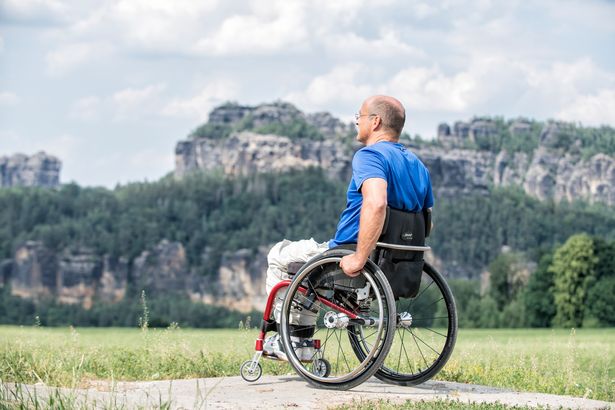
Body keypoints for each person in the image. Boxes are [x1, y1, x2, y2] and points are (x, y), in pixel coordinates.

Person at [263, 95, 434, 361]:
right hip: (398, 264)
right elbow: (427, 221)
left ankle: (295, 340)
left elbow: (376, 203)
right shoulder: (418, 166)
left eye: (360, 116)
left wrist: (360, 258)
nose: (356, 121)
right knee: (303, 256)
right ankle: (298, 334)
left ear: (375, 122)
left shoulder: (370, 156)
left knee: (279, 255)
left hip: (351, 255)